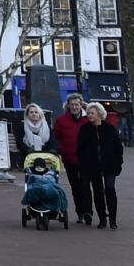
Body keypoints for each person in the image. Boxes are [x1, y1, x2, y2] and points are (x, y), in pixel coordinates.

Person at [79, 101, 124, 228]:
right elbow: (80, 149)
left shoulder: (109, 128)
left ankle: (113, 220)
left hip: (109, 165)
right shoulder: (84, 129)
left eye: (92, 113)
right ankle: (102, 219)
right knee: (98, 192)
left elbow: (118, 147)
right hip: (92, 166)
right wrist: (84, 164)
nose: (89, 115)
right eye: (88, 113)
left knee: (110, 189)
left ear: (99, 114)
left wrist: (118, 162)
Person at [52, 93, 92, 224]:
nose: (74, 107)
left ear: (81, 105)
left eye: (77, 104)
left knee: (86, 186)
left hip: (86, 159)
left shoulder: (88, 119)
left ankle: (88, 212)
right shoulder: (61, 120)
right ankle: (80, 212)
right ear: (68, 106)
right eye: (72, 104)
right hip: (69, 159)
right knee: (76, 187)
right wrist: (61, 150)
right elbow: (57, 138)